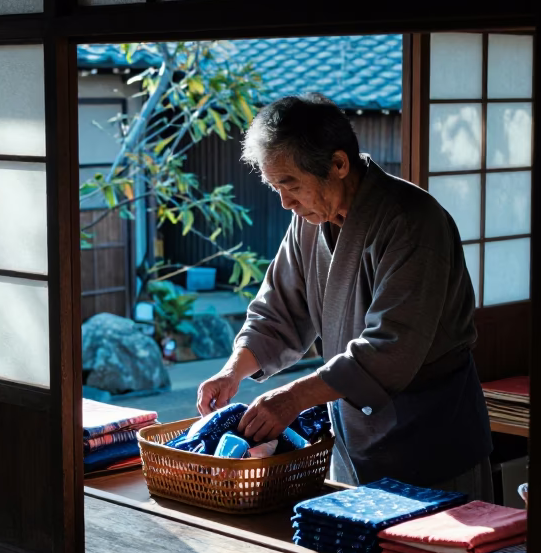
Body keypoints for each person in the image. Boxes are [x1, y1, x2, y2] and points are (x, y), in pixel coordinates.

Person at [196, 94, 493, 498]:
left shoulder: (411, 223)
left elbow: (389, 349)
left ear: (338, 164)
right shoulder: (308, 220)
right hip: (354, 437)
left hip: (431, 438)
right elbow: (277, 312)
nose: (285, 202)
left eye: (291, 185)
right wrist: (232, 372)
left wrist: (292, 398)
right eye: (275, 188)